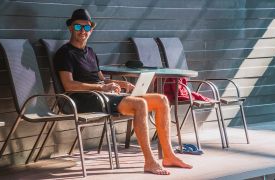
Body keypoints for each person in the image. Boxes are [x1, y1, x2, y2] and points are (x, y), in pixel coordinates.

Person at [53, 8, 192, 175]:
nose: (83, 31)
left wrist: (120, 84)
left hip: (103, 95)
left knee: (162, 99)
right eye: (78, 27)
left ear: (91, 30)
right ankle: (149, 161)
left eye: (87, 27)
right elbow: (69, 85)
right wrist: (101, 88)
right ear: (70, 28)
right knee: (139, 104)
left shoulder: (90, 53)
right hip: (83, 99)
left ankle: (169, 155)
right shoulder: (64, 53)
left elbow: (101, 79)